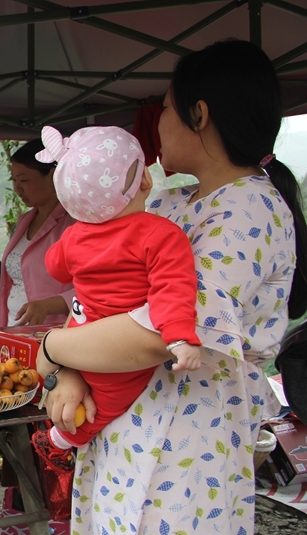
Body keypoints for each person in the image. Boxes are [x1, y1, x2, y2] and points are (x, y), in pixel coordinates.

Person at [35, 39, 307, 535]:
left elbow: (153, 335)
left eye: (163, 108)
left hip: (187, 449)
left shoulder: (249, 209)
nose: (156, 122)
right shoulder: (171, 203)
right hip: (130, 433)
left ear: (199, 113)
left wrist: (53, 350)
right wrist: (71, 372)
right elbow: (99, 305)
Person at [29, 125, 201, 467]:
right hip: (116, 350)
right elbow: (173, 288)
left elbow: (56, 268)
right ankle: (62, 440)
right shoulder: (162, 234)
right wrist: (180, 336)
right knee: (107, 404)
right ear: (147, 180)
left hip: (81, 332)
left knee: (84, 401)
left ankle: (59, 438)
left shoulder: (74, 236)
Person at [0, 140, 75, 327]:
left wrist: (51, 305)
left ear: (52, 175)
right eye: (14, 180)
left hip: (54, 332)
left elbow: (97, 288)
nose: (17, 188)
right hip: (14, 327)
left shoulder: (74, 223)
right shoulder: (25, 220)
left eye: (24, 180)